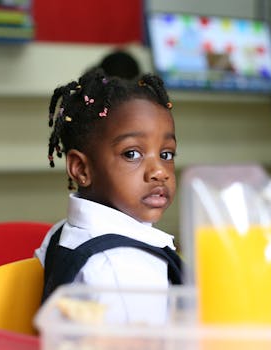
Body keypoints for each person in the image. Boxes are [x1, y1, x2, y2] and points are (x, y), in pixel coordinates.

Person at [34, 69, 181, 323]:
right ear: (81, 169)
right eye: (132, 154)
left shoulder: (60, 234)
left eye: (166, 154)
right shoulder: (125, 269)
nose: (159, 172)